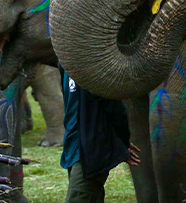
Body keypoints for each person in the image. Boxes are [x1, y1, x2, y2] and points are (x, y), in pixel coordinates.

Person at [59, 66, 140, 202]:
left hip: (90, 152)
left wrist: (122, 142)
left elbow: (116, 110)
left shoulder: (94, 65)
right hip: (72, 148)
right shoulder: (64, 64)